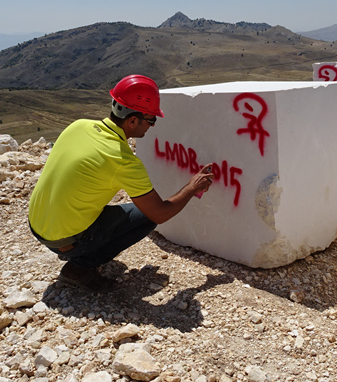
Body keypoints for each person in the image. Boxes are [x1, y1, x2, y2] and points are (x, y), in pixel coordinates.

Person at [28, 74, 214, 293]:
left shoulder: (78, 126)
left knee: (127, 210)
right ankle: (79, 267)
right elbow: (160, 214)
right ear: (133, 120)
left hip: (37, 225)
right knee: (147, 217)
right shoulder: (123, 162)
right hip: (63, 239)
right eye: (151, 119)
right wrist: (191, 188)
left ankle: (74, 246)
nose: (152, 126)